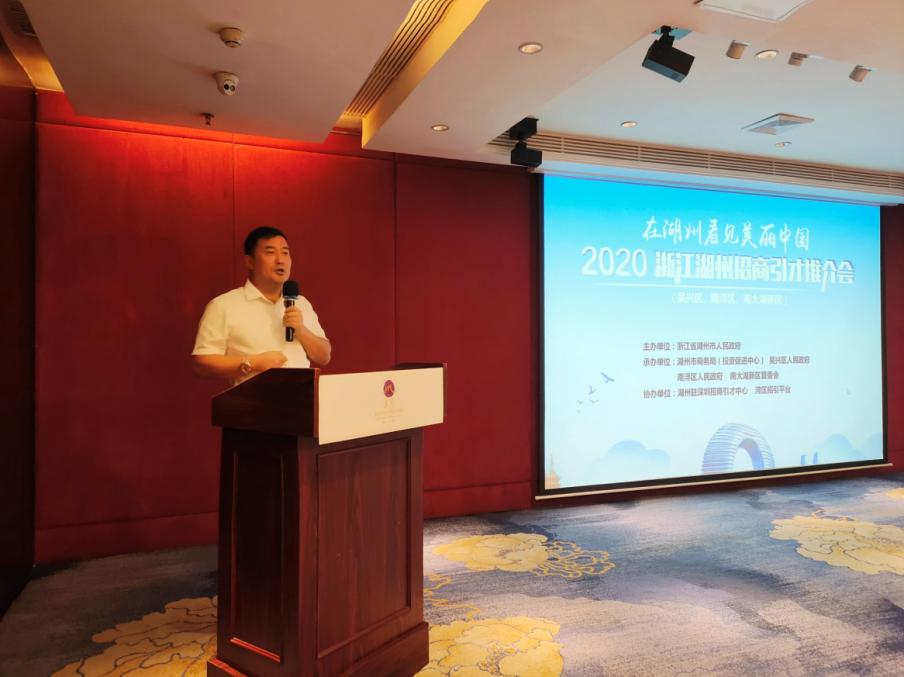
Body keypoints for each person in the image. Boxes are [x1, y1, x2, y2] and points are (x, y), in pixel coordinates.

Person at [192, 226, 331, 384]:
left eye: (285, 253)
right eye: (270, 252)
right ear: (250, 261)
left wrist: (301, 330)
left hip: (302, 396)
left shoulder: (301, 303)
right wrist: (252, 363)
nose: (280, 260)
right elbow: (201, 363)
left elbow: (324, 356)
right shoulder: (223, 305)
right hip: (252, 398)